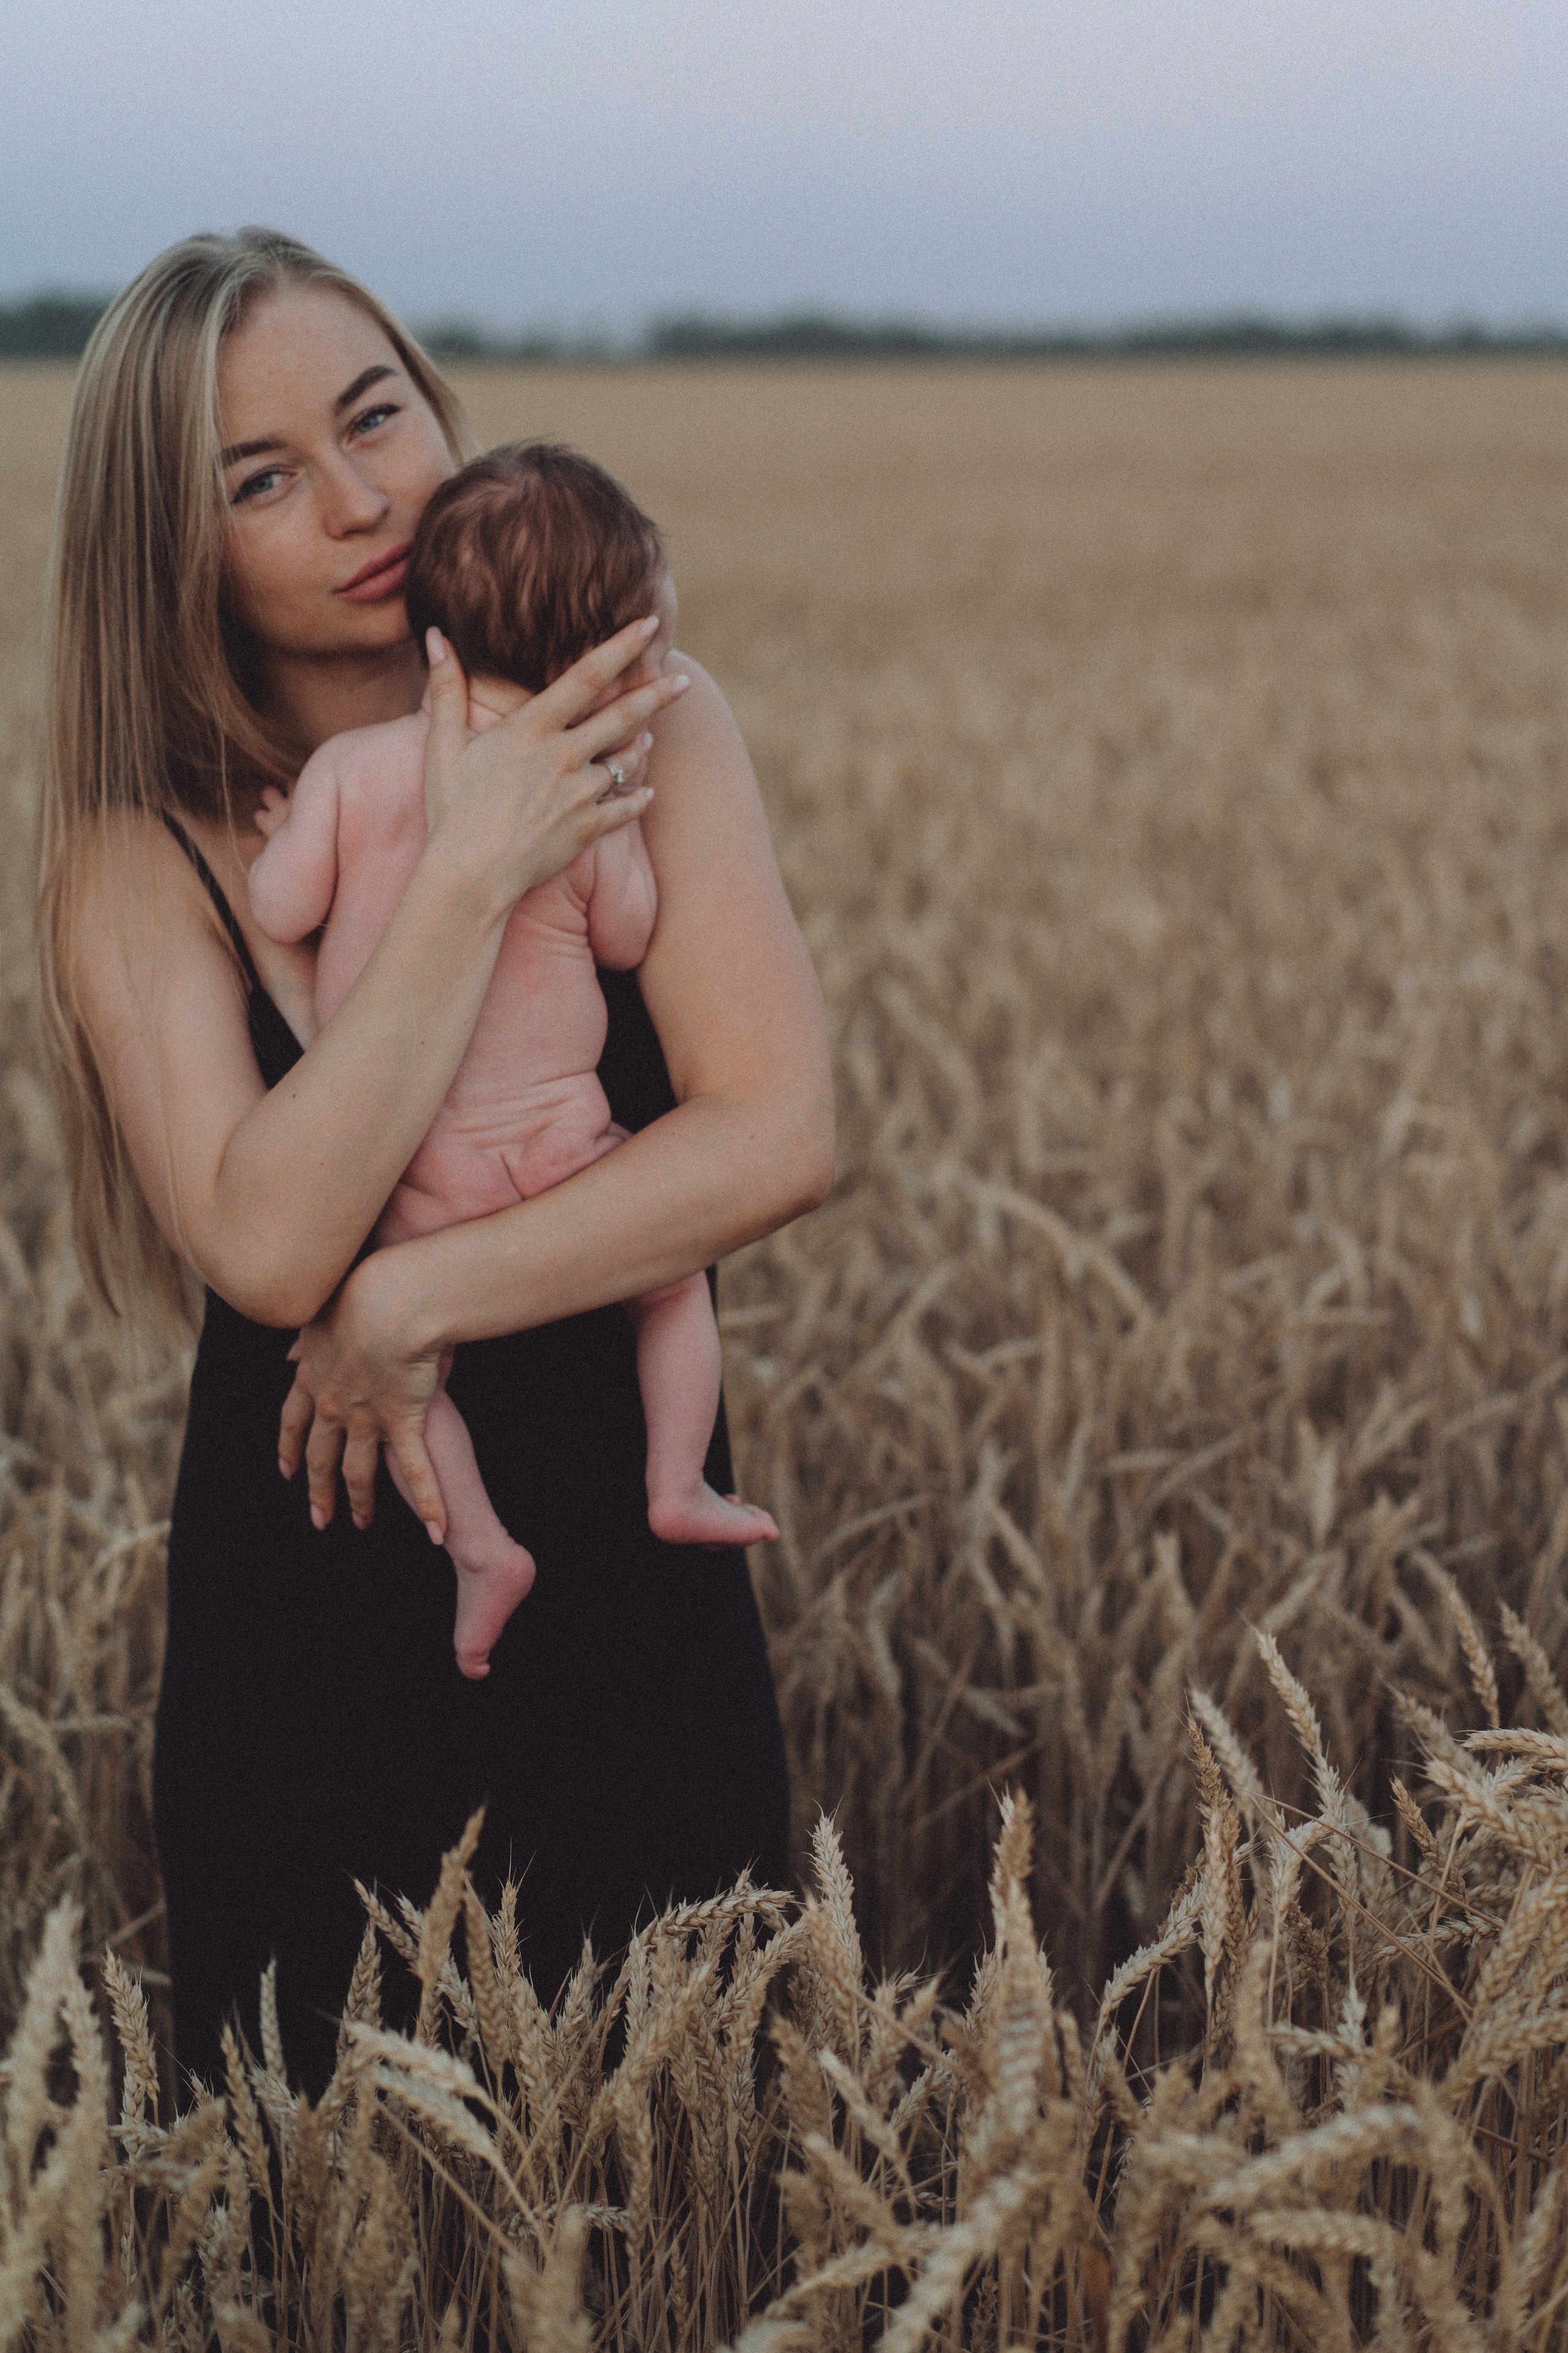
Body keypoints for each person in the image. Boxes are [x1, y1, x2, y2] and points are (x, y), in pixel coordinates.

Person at [36, 229, 834, 2097]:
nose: (363, 498)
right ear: (176, 547)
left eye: (374, 414)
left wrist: (413, 1294)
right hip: (314, 1597)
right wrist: (471, 864)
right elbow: (264, 1228)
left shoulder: (655, 708)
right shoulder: (133, 852)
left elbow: (774, 1133)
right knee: (328, 2202)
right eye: (262, 478)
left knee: (693, 2180)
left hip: (635, 1589)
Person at [248, 441, 777, 1682]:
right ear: (623, 652)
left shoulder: (353, 773)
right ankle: (673, 1477)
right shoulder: (580, 798)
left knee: (411, 1369)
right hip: (563, 1148)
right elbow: (627, 933)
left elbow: (278, 906)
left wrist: (291, 839)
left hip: (423, 1177)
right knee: (669, 1287)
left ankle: (482, 1548)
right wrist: (627, 817)